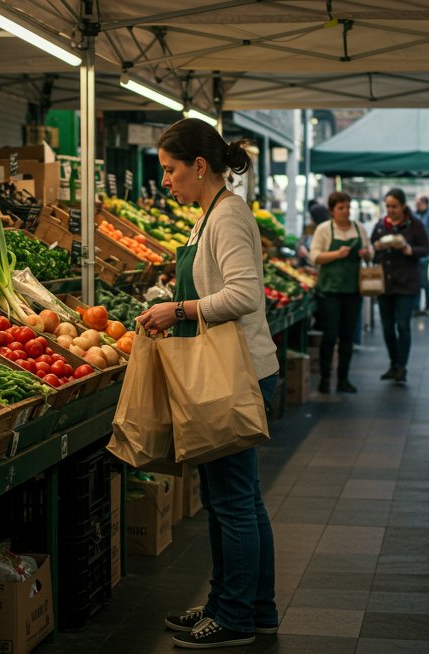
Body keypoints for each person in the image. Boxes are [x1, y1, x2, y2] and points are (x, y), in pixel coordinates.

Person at [135, 118, 280, 650]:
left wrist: (179, 309)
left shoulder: (228, 218)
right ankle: (243, 605)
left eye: (171, 170)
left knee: (233, 502)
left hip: (236, 373)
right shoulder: (210, 215)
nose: (166, 180)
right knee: (235, 499)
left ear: (199, 166)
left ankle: (236, 617)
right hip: (230, 369)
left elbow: (244, 295)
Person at [309, 191, 370, 394]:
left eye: (347, 207)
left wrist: (367, 253)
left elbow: (370, 252)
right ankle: (325, 379)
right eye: (341, 208)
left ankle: (343, 378)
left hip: (353, 289)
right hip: (330, 290)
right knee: (330, 335)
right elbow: (315, 257)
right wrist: (337, 254)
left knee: (347, 336)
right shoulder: (324, 230)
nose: (345, 211)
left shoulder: (359, 229)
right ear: (332, 211)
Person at [371, 188, 429, 385]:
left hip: (406, 284)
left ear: (403, 206)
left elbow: (426, 249)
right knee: (388, 327)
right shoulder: (381, 225)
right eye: (388, 206)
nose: (390, 209)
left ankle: (402, 367)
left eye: (394, 206)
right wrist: (376, 249)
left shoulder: (415, 225)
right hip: (385, 284)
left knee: (403, 325)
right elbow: (372, 249)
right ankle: (393, 364)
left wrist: (409, 249)